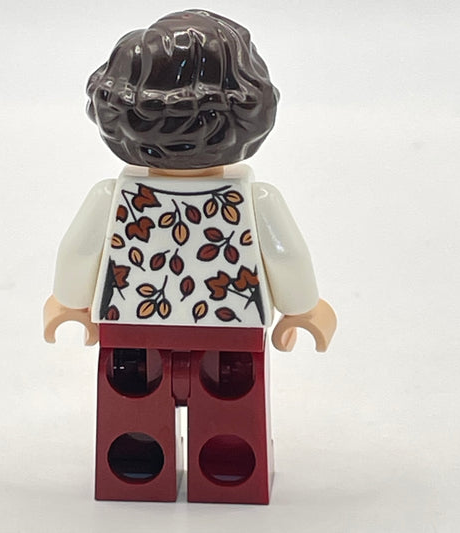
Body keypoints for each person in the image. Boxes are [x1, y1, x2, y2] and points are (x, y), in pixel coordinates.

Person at [43, 9, 336, 504]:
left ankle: (135, 475)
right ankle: (227, 476)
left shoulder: (115, 196)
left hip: (132, 322)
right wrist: (303, 309)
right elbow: (285, 258)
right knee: (229, 411)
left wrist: (68, 303)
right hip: (229, 323)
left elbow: (79, 250)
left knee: (132, 410)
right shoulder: (252, 199)